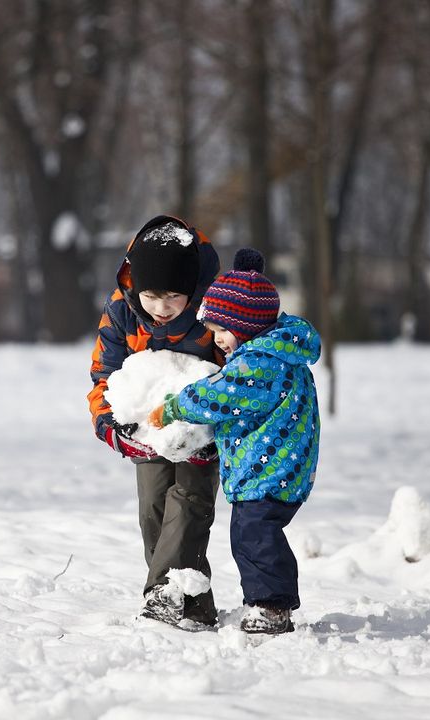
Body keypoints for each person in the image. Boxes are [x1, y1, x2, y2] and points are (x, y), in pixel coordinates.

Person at [148, 248, 321, 634]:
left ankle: (271, 607)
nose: (217, 340)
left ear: (244, 324)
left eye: (220, 331)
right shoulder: (276, 354)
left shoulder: (259, 364)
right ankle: (268, 601)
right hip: (277, 466)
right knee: (256, 535)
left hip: (269, 469)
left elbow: (219, 395)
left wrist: (175, 408)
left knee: (254, 537)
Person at [87, 215, 224, 629]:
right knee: (153, 508)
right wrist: (110, 424)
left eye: (173, 297)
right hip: (146, 427)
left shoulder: (214, 310)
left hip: (198, 430)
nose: (160, 309)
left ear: (192, 291)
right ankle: (194, 604)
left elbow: (236, 370)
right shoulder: (121, 310)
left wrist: (220, 427)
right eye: (150, 295)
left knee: (190, 502)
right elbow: (104, 374)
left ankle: (162, 594)